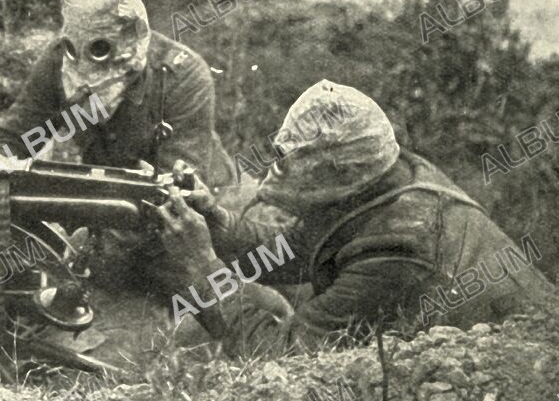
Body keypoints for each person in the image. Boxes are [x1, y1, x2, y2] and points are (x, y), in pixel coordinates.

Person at [157, 80, 555, 359]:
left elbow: (282, 356)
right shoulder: (385, 176)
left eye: (290, 162)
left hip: (521, 364)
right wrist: (213, 220)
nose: (275, 171)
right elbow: (295, 249)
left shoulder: (397, 250)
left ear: (339, 175)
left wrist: (202, 265)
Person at [0, 0, 235, 337]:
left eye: (101, 48)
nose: (85, 64)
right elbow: (12, 137)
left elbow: (171, 201)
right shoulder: (59, 62)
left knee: (208, 314)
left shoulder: (182, 77)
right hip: (110, 202)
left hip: (195, 211)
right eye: (76, 47)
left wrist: (84, 254)